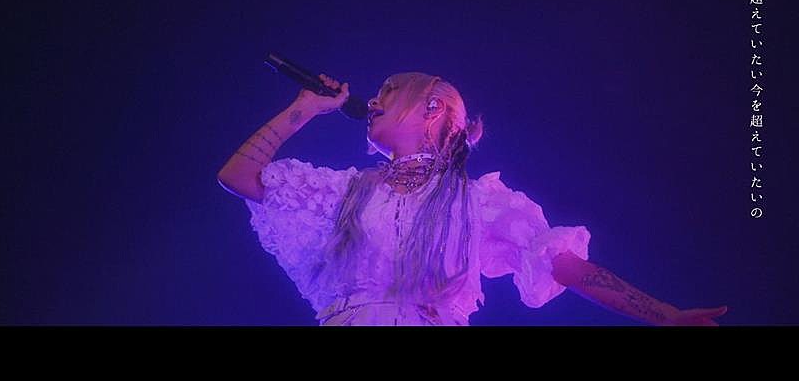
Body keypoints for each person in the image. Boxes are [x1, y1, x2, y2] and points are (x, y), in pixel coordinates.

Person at [217, 72, 728, 326]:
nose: (372, 99)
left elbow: (569, 268)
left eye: (389, 91)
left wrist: (665, 314)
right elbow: (238, 176)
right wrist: (306, 107)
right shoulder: (348, 192)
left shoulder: (479, 204)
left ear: (433, 107)